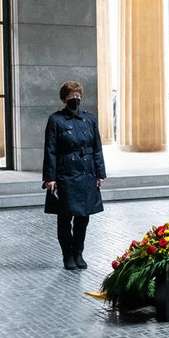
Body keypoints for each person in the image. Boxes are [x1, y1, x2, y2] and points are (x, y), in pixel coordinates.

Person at [43, 81, 106, 270]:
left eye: (78, 95)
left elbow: (97, 148)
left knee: (83, 217)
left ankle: (78, 252)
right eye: (71, 96)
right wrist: (50, 178)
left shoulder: (90, 119)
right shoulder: (56, 120)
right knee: (65, 218)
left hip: (87, 174)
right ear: (64, 98)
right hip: (65, 176)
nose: (75, 99)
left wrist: (100, 173)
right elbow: (50, 151)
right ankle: (67, 255)